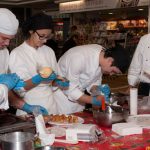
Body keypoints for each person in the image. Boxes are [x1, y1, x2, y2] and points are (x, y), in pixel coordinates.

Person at [9, 13, 68, 116]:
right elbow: (18, 88)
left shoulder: (49, 51)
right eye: (42, 36)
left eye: (48, 37)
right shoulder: (17, 53)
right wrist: (39, 78)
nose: (45, 40)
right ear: (31, 31)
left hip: (51, 106)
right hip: (29, 107)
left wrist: (58, 81)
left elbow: (52, 80)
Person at [56, 44, 122, 114]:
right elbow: (70, 89)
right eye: (113, 71)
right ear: (110, 60)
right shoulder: (78, 57)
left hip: (80, 98)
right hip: (62, 99)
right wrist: (93, 100)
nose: (111, 74)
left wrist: (98, 89)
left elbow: (91, 82)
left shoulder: (101, 56)